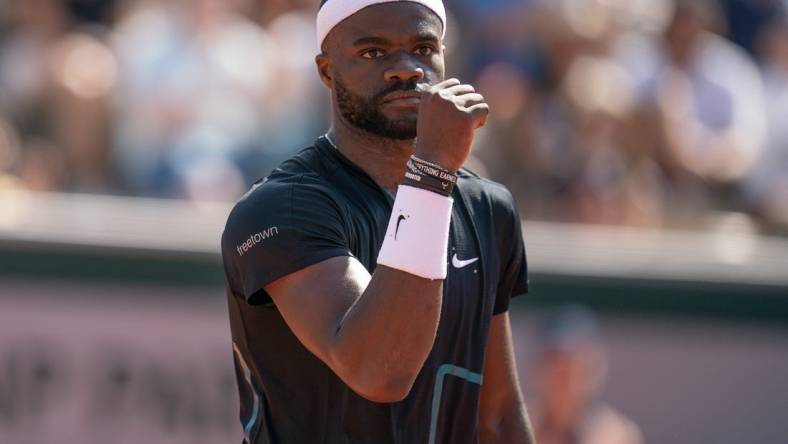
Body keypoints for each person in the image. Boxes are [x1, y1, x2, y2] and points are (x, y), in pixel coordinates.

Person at [221, 1, 534, 442]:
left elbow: (499, 415)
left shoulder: (488, 207)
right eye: (374, 53)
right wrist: (432, 170)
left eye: (424, 49)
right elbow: (378, 371)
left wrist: (432, 172)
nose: (404, 70)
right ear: (327, 72)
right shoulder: (279, 208)